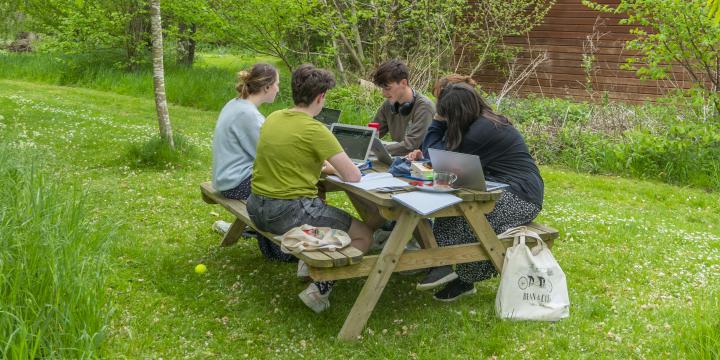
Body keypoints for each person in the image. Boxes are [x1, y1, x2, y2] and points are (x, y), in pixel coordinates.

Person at [246, 64, 375, 313]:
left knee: (321, 206)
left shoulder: (274, 118)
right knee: (364, 234)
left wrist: (325, 166)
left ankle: (309, 266)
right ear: (321, 97)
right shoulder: (315, 129)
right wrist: (338, 166)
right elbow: (353, 175)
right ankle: (320, 289)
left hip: (256, 206)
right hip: (286, 212)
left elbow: (292, 159)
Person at [416, 83, 545, 302]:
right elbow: (440, 158)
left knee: (471, 223)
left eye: (446, 114)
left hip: (522, 196)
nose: (444, 117)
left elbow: (435, 160)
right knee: (449, 216)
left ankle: (462, 275)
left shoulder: (480, 131)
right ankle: (447, 267)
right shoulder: (478, 122)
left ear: (457, 112)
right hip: (498, 187)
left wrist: (436, 123)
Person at [210, 63, 294, 262]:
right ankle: (279, 251)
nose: (278, 89)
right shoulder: (248, 114)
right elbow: (268, 156)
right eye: (277, 84)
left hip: (227, 179)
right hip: (236, 183)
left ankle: (275, 243)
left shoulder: (236, 104)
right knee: (286, 187)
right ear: (266, 87)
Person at [371, 59, 435, 156]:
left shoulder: (424, 107)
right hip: (400, 160)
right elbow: (372, 133)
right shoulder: (388, 105)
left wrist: (377, 150)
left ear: (403, 83)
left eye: (388, 88)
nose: (384, 94)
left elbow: (411, 145)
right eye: (382, 89)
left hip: (420, 164)